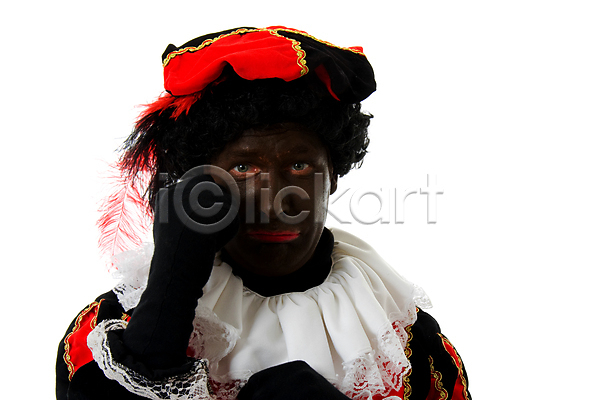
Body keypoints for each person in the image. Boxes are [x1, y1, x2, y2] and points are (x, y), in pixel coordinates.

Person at [56, 26, 471, 400]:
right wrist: (169, 293)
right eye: (243, 168)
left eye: (299, 166)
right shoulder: (112, 331)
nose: (275, 203)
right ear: (200, 182)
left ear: (333, 177)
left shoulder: (404, 341)